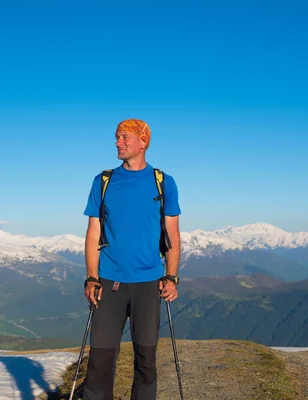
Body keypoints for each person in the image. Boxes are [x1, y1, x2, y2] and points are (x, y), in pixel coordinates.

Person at [82, 118, 181, 399]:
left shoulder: (163, 183)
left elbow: (172, 234)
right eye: (117, 137)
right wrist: (91, 277)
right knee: (99, 362)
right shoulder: (103, 181)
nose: (118, 142)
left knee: (146, 362)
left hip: (149, 283)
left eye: (124, 137)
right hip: (108, 282)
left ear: (143, 142)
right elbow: (93, 234)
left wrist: (171, 276)